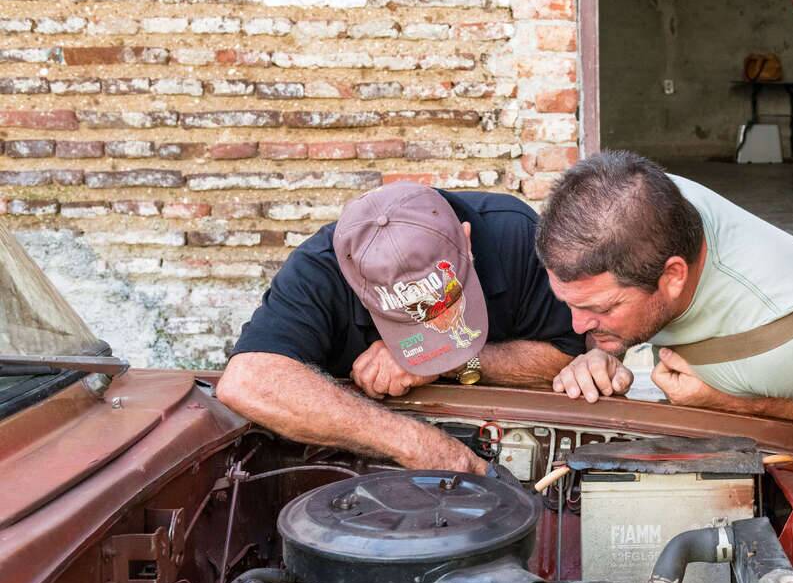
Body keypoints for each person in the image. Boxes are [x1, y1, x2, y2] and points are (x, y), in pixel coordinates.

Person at [217, 181, 584, 474]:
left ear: (466, 239)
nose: (434, 321)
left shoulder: (516, 236)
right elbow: (248, 381)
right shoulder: (320, 269)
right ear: (355, 281)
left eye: (445, 302)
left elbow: (568, 358)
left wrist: (439, 360)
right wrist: (416, 444)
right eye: (406, 318)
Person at [535, 151, 793, 435]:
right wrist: (602, 355)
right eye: (571, 304)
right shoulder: (638, 202)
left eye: (602, 308)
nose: (577, 326)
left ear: (673, 275)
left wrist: (730, 403)